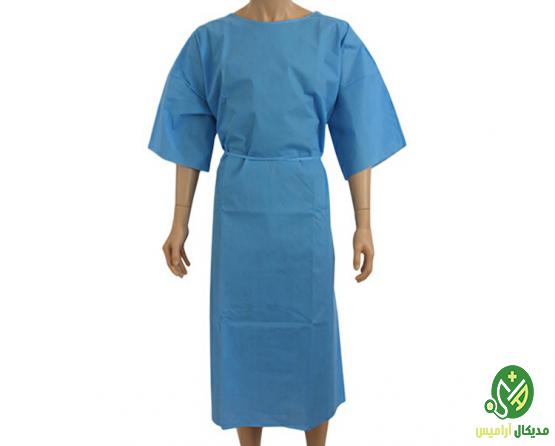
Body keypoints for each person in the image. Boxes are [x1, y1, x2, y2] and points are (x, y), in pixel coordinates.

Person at [147, 1, 406, 445]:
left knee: (311, 332)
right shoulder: (211, 42)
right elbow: (188, 131)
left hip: (303, 210)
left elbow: (359, 127)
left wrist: (364, 222)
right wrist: (178, 221)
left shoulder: (333, 39)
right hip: (239, 214)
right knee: (240, 333)